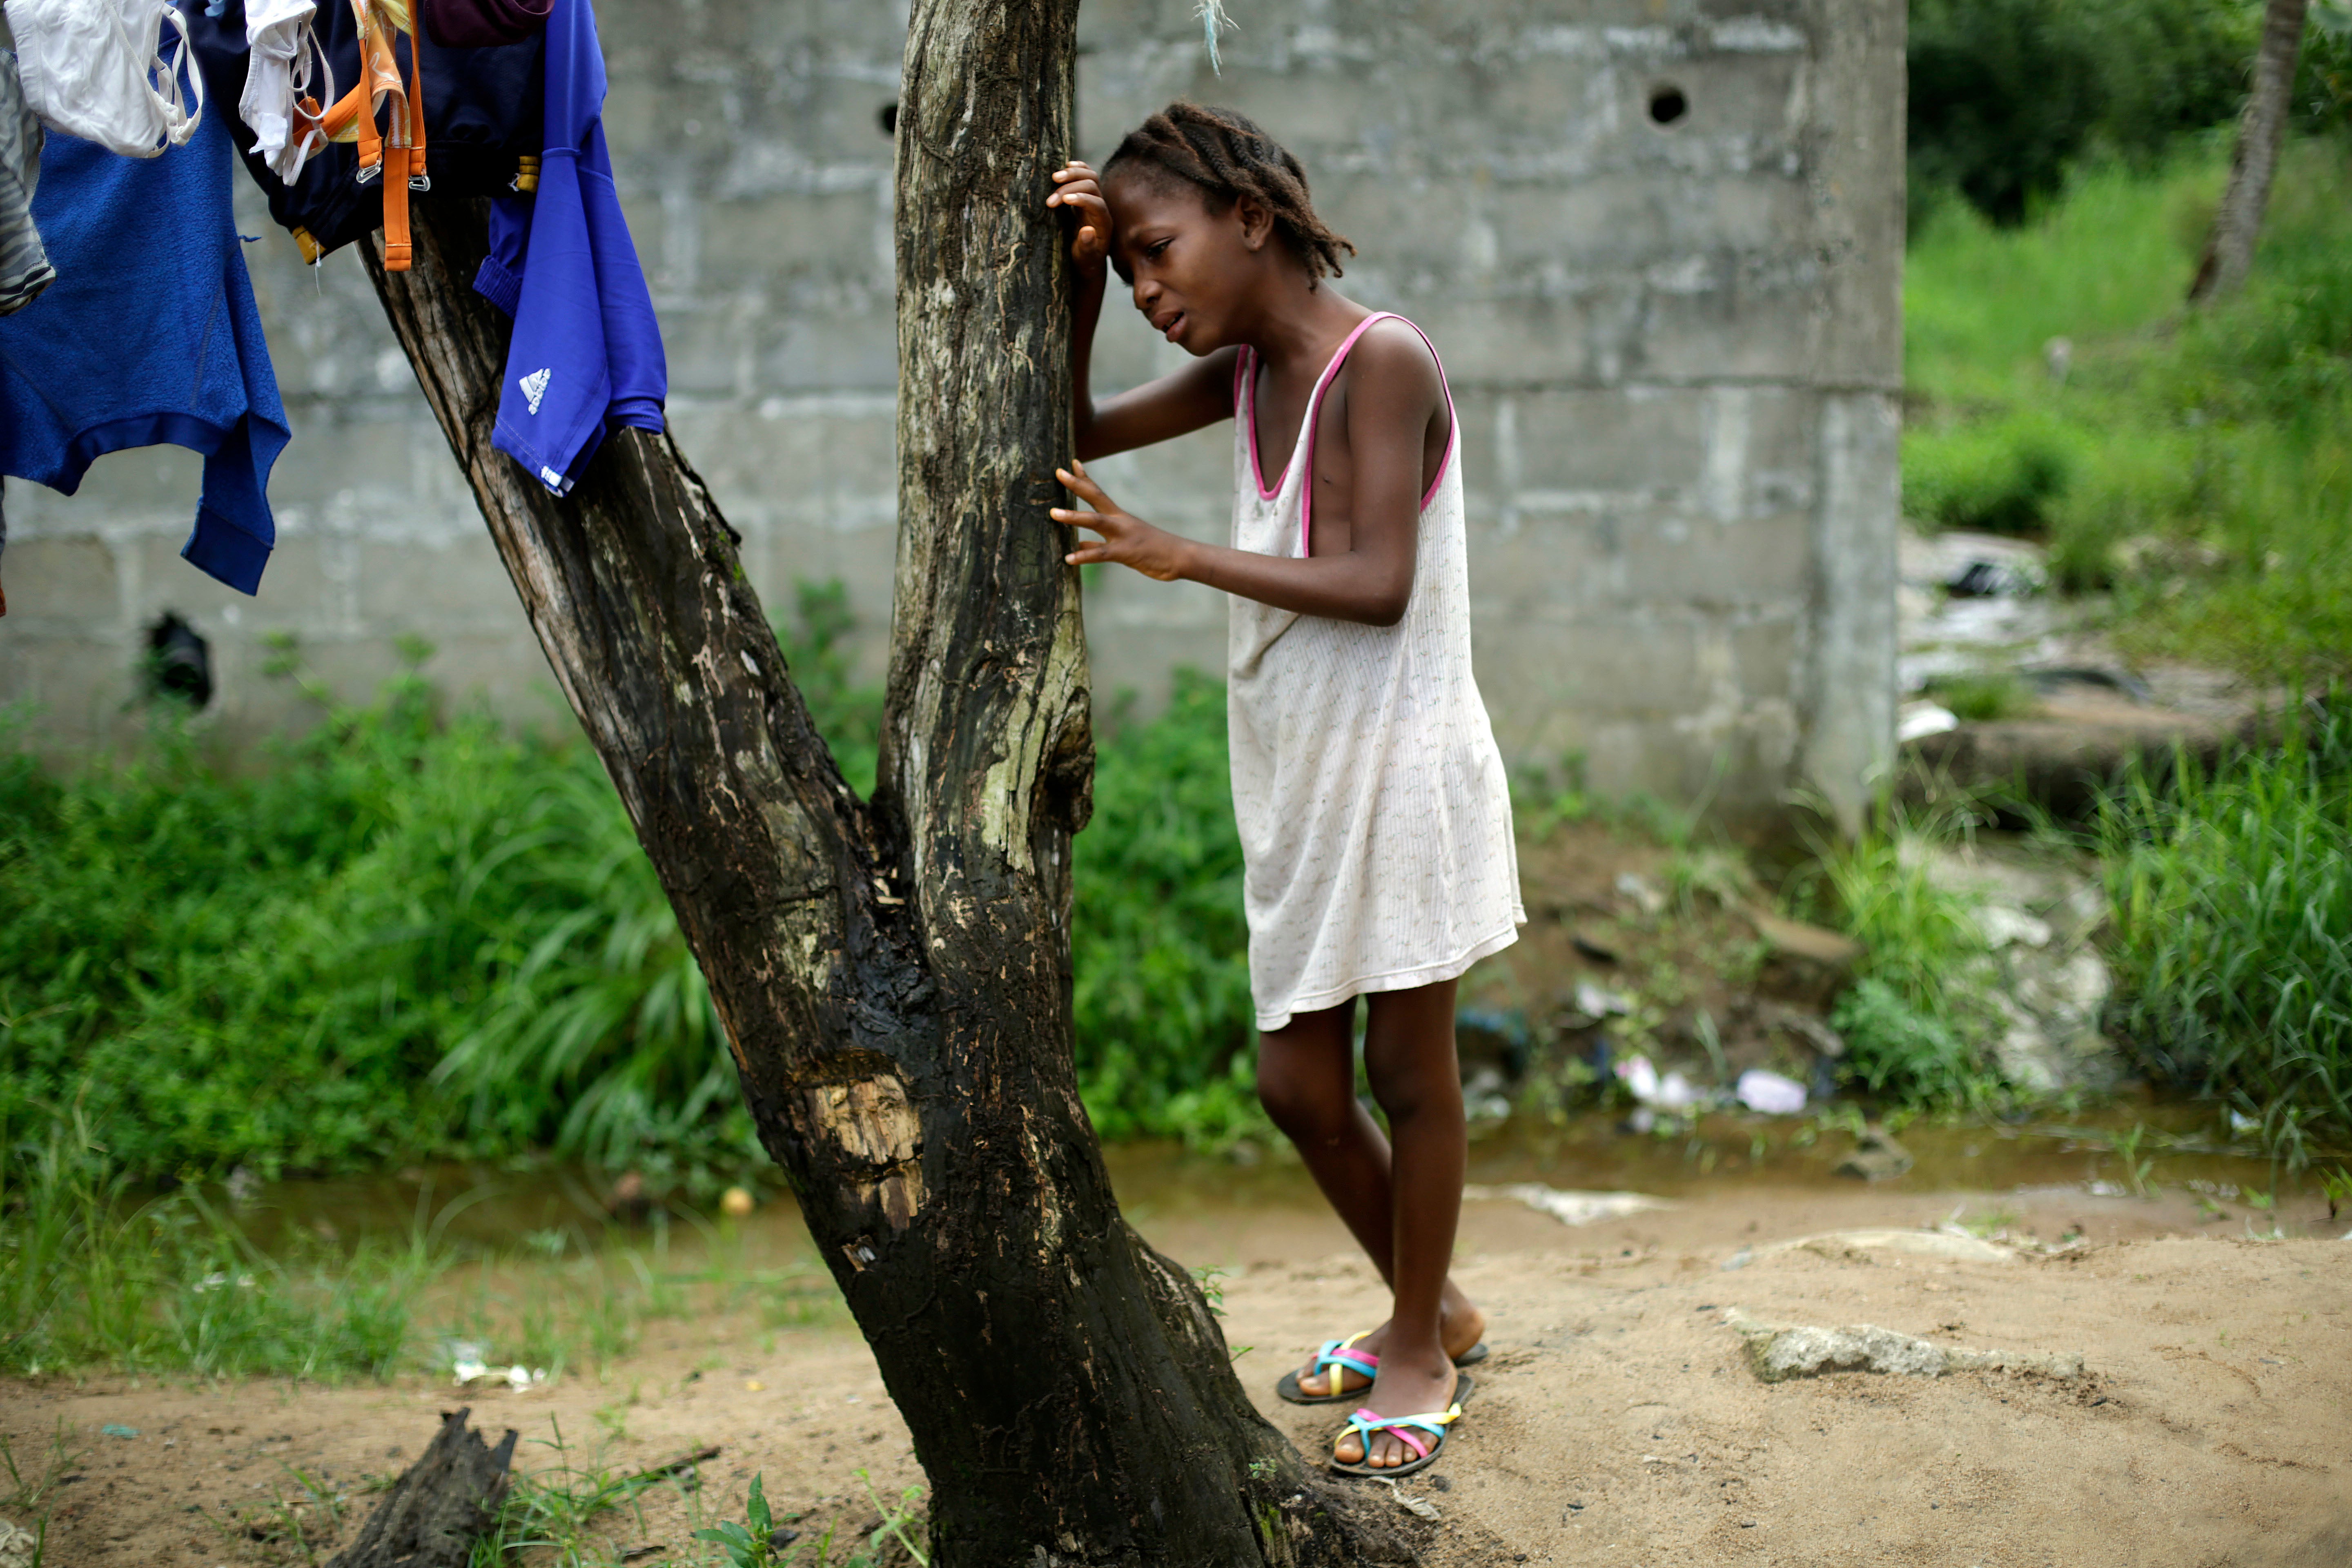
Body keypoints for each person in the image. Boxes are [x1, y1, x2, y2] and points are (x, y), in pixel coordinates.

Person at [1043, 102, 1525, 1476]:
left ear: (1251, 216)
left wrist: (1179, 555)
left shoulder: (1382, 362)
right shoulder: (1244, 370)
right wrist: (1075, 288)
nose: (1147, 289)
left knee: (1402, 1069)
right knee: (1294, 1084)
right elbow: (1077, 426)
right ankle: (1439, 1306)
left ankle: (1420, 1346)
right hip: (1303, 777)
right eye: (1126, 269)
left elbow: (1381, 585)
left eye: (1154, 253)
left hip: (1403, 765)